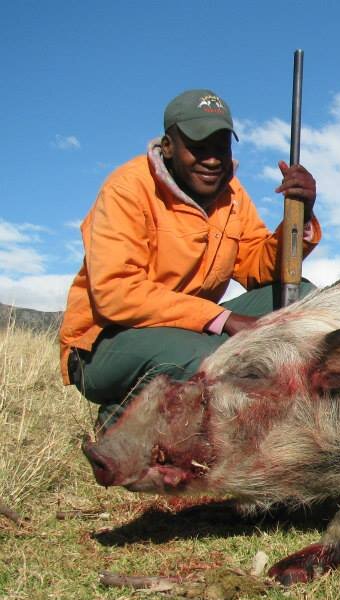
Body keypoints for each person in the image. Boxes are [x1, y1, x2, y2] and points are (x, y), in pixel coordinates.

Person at [59, 89, 320, 431]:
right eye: (198, 147)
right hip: (107, 344)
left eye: (220, 147)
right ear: (168, 146)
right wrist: (222, 319)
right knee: (215, 359)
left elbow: (258, 267)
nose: (212, 160)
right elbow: (115, 294)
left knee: (302, 297)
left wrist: (300, 213)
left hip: (190, 328)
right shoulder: (127, 188)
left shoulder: (232, 195)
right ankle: (122, 418)